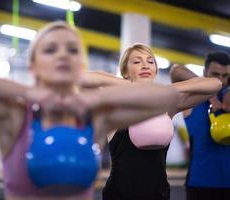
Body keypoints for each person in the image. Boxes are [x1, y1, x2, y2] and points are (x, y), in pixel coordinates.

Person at [0, 22, 181, 200]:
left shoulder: (95, 118)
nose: (62, 54)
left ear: (80, 66)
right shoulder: (16, 116)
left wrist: (90, 100)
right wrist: (29, 93)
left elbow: (165, 97)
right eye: (50, 49)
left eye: (72, 49)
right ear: (33, 65)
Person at [79, 44, 222, 200]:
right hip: (119, 195)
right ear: (125, 72)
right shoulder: (114, 106)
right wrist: (133, 86)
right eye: (137, 61)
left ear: (155, 70)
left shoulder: (167, 105)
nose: (145, 65)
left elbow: (215, 84)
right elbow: (82, 79)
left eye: (150, 61)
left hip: (158, 195)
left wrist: (169, 89)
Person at [170, 51, 230, 200]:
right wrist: (211, 93)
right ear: (204, 72)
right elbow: (176, 71)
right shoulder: (193, 98)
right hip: (200, 185)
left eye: (225, 76)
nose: (221, 81)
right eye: (215, 74)